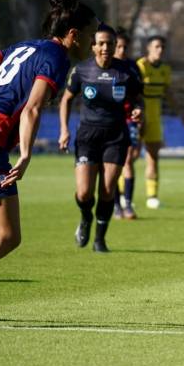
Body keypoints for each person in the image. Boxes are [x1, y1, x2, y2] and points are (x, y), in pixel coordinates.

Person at [0, 0, 96, 319]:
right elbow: (32, 107)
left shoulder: (24, 46)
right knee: (5, 236)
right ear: (73, 34)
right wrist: (26, 154)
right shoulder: (57, 57)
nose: (92, 44)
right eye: (90, 36)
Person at [59, 24, 143, 253]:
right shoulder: (82, 70)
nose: (106, 47)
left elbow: (138, 99)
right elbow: (66, 99)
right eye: (101, 43)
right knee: (85, 192)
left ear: (116, 45)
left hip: (116, 136)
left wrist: (137, 109)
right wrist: (64, 130)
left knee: (107, 191)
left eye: (110, 43)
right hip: (87, 136)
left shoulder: (127, 71)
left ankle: (100, 239)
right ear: (93, 45)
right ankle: (86, 217)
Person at [136, 36, 184, 209]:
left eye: (162, 47)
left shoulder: (165, 69)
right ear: (148, 48)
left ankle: (152, 196)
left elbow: (168, 92)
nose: (160, 50)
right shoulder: (140, 66)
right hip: (138, 117)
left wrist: (181, 113)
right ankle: (122, 196)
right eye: (157, 46)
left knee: (153, 157)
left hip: (155, 117)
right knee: (130, 156)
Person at [112, 27, 143, 219]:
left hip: (130, 119)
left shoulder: (133, 67)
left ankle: (128, 205)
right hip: (110, 120)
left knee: (128, 160)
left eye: (125, 47)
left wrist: (142, 118)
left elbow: (140, 95)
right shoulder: (105, 67)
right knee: (113, 164)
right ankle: (116, 205)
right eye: (119, 46)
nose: (122, 50)